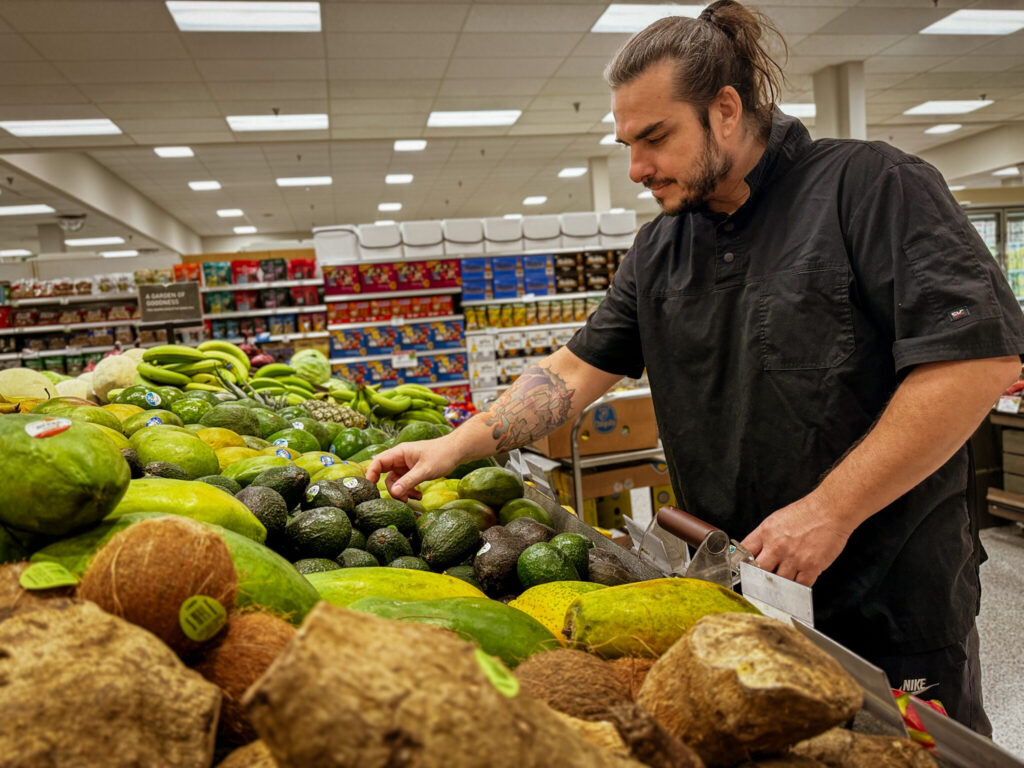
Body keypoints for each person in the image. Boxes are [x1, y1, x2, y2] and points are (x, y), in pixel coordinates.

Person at [367, 0, 1024, 735]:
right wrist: (452, 445)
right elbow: (570, 374)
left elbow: (976, 360)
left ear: (726, 110)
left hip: (889, 598)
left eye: (654, 138)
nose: (637, 167)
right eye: (626, 143)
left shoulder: (871, 187)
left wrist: (830, 510)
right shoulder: (660, 250)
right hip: (741, 591)